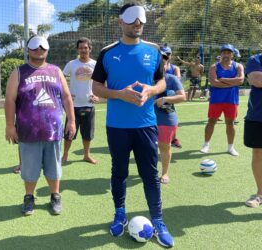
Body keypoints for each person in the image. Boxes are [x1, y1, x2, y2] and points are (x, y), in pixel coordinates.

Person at [91, 2, 174, 247]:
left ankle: (158, 220)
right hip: (117, 126)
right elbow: (95, 87)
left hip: (146, 125)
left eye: (141, 19)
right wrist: (119, 94)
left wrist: (151, 90)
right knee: (119, 172)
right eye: (131, 19)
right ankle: (119, 214)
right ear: (120, 22)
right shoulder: (107, 53)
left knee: (150, 174)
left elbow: (161, 82)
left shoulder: (154, 51)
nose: (137, 23)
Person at [4, 35, 75, 216]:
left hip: (54, 131)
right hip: (28, 132)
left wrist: (72, 121)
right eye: (35, 47)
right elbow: (10, 100)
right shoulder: (19, 72)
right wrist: (9, 126)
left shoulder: (56, 71)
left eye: (43, 47)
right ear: (28, 50)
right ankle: (29, 197)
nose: (39, 50)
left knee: (54, 167)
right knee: (29, 169)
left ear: (47, 50)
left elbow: (66, 97)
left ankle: (55, 196)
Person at [200, 44, 244, 156]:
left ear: (232, 55)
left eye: (229, 52)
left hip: (231, 100)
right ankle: (206, 145)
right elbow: (214, 83)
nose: (226, 55)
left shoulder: (238, 66)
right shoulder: (214, 67)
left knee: (230, 123)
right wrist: (232, 83)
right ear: (221, 54)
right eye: (224, 52)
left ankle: (230, 147)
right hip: (216, 100)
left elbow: (241, 81)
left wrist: (223, 80)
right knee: (211, 122)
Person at [62, 37, 99, 165]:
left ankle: (86, 155)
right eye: (81, 48)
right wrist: (66, 93)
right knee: (69, 133)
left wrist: (97, 95)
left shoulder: (95, 64)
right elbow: (61, 79)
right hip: (73, 106)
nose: (83, 50)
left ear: (90, 49)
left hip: (89, 105)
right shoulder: (71, 64)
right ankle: (65, 155)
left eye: (85, 48)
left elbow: (101, 82)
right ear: (77, 49)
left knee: (88, 134)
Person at [155, 51, 186, 184]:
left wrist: (165, 99)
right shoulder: (146, 77)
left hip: (166, 119)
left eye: (165, 60)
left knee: (164, 146)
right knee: (147, 147)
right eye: (159, 60)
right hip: (145, 118)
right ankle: (150, 172)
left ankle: (165, 173)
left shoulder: (172, 79)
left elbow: (182, 97)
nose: (162, 62)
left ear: (168, 62)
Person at [244, 53, 262, 207]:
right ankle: (260, 193)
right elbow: (257, 80)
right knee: (258, 152)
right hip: (257, 116)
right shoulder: (255, 59)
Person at [161, 45, 183, 149]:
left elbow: (177, 79)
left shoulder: (174, 68)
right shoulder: (156, 65)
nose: (167, 56)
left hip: (170, 94)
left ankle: (173, 138)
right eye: (164, 54)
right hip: (158, 92)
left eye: (168, 54)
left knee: (170, 115)